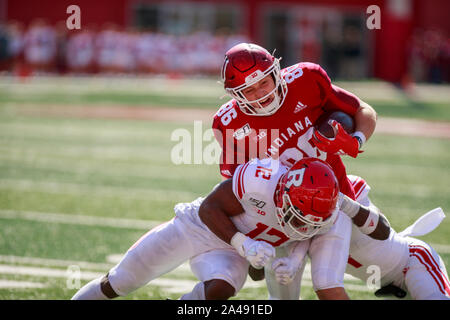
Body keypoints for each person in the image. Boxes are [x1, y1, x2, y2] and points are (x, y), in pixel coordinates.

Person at [71, 158, 389, 300]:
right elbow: (210, 208)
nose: (300, 225)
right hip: (199, 227)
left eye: (310, 221)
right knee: (121, 281)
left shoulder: (325, 209)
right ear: (283, 191)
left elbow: (380, 232)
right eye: (296, 215)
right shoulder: (259, 178)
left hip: (237, 249)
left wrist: (292, 261)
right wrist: (244, 244)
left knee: (220, 291)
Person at [213, 43, 377, 200]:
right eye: (249, 90)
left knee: (362, 225)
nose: (261, 93)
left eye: (264, 82)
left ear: (275, 74)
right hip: (277, 208)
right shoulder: (230, 123)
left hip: (336, 193)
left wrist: (357, 140)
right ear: (237, 95)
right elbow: (233, 188)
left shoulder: (305, 80)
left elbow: (363, 110)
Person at [266, 175, 450, 300]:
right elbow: (305, 236)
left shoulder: (344, 192)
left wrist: (349, 205)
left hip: (412, 262)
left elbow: (381, 229)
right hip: (382, 283)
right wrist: (292, 260)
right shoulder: (300, 217)